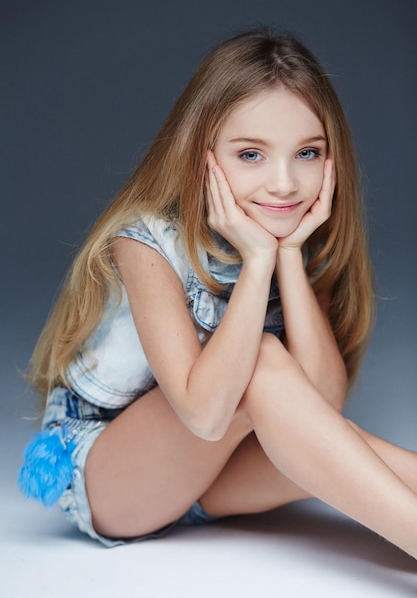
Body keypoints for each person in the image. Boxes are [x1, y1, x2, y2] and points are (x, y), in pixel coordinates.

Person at [19, 28, 417, 557]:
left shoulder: (295, 239)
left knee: (334, 447)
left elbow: (320, 407)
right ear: (202, 155)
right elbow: (205, 416)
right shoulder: (144, 244)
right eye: (251, 155)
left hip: (217, 477)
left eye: (307, 153)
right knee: (265, 359)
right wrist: (256, 262)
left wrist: (289, 257)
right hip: (114, 477)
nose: (284, 184)